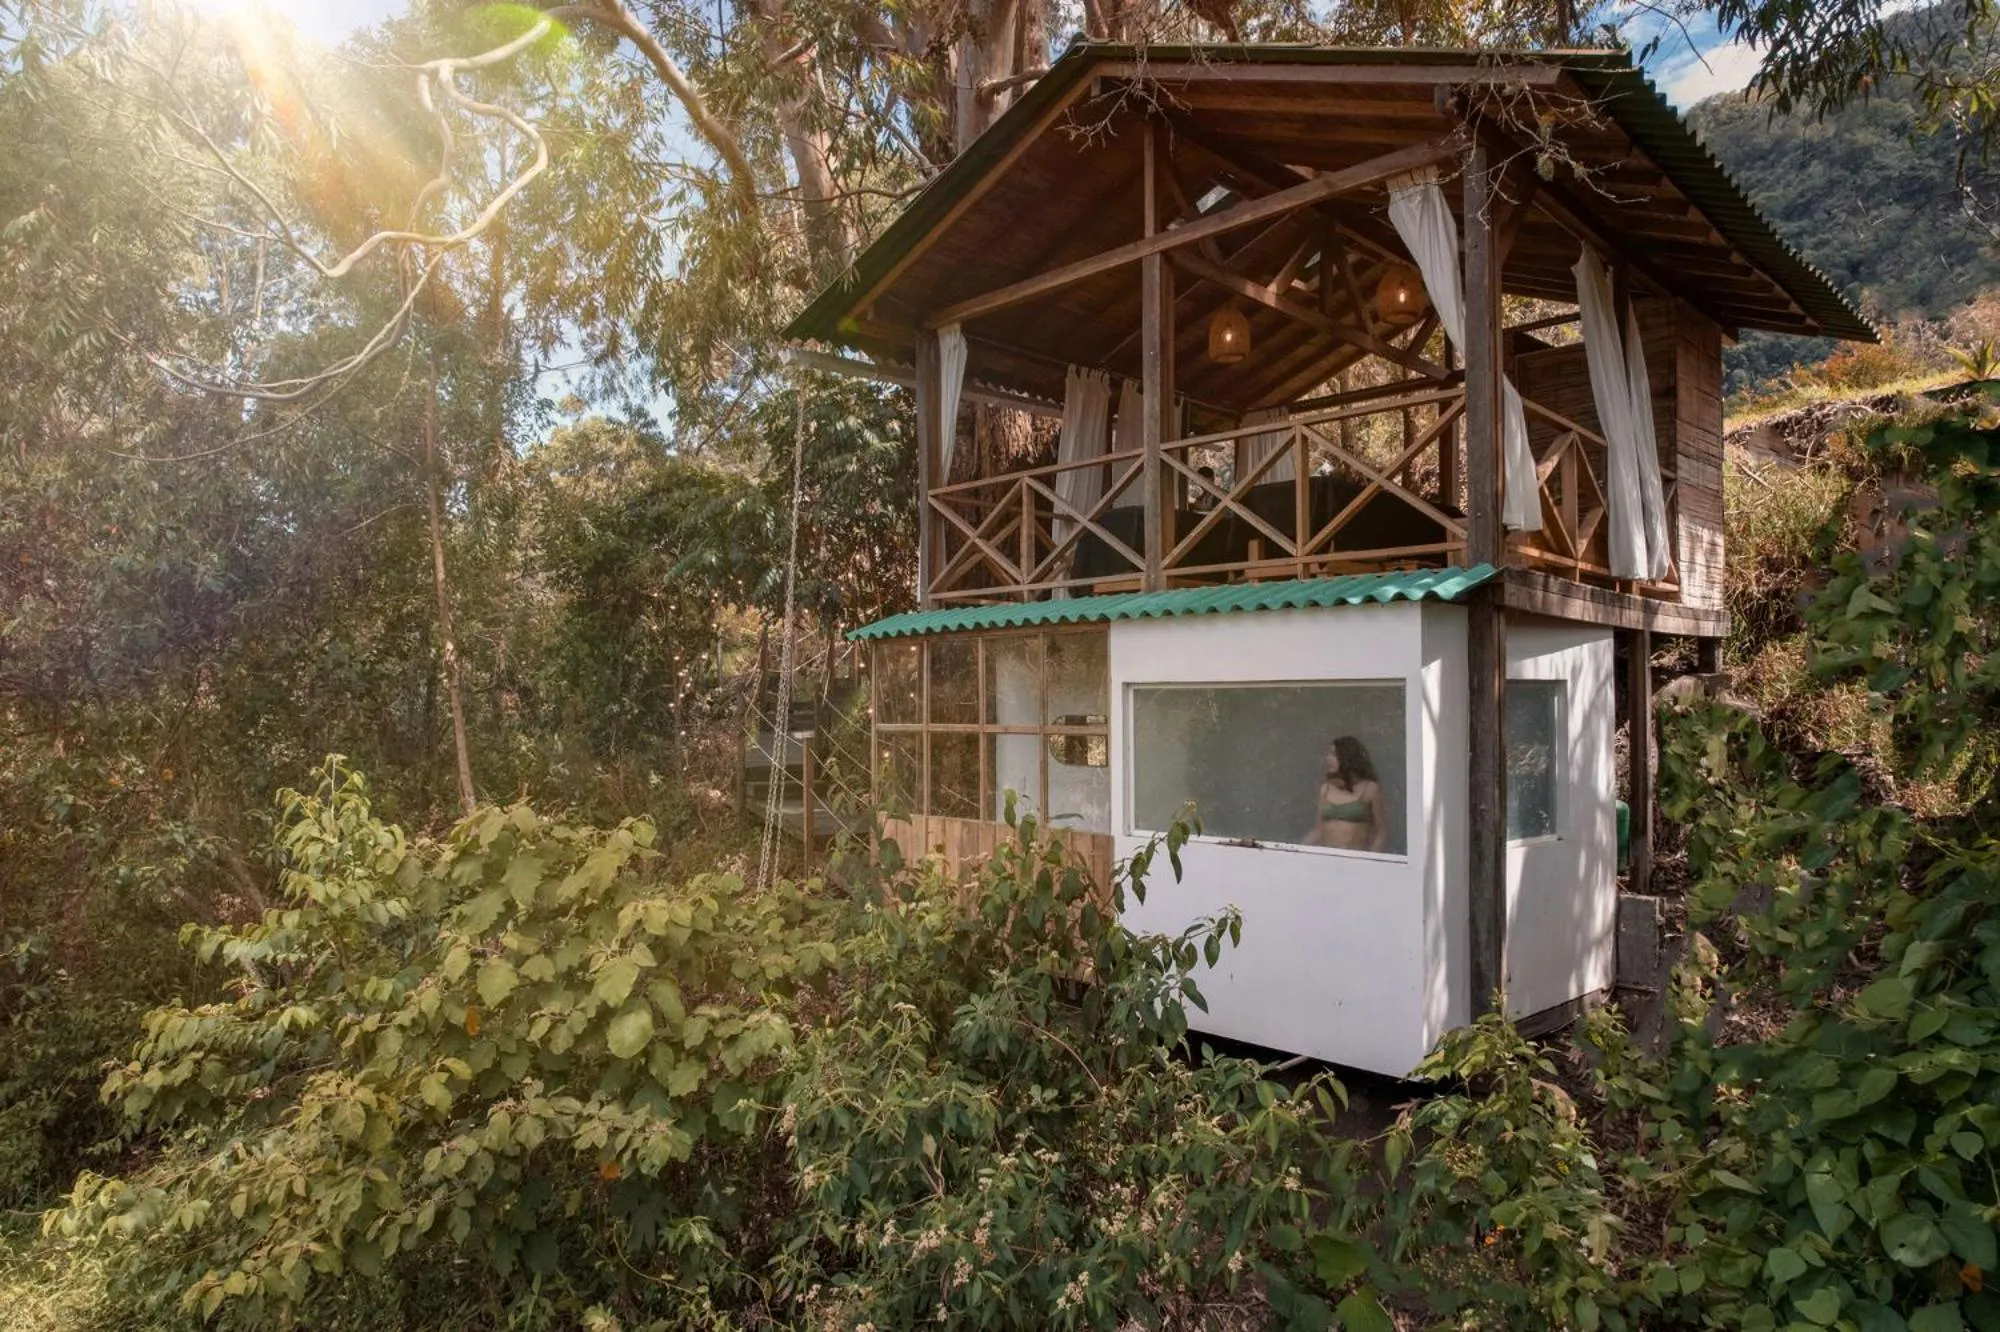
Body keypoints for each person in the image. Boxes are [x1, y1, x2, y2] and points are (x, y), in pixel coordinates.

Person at [1300, 735, 1389, 852]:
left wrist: (1372, 860)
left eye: (1333, 754)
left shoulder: (1370, 789)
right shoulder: (1326, 789)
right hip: (1329, 857)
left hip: (1356, 860)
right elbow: (1318, 830)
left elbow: (1381, 831)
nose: (1328, 759)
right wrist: (1297, 851)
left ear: (1346, 757)